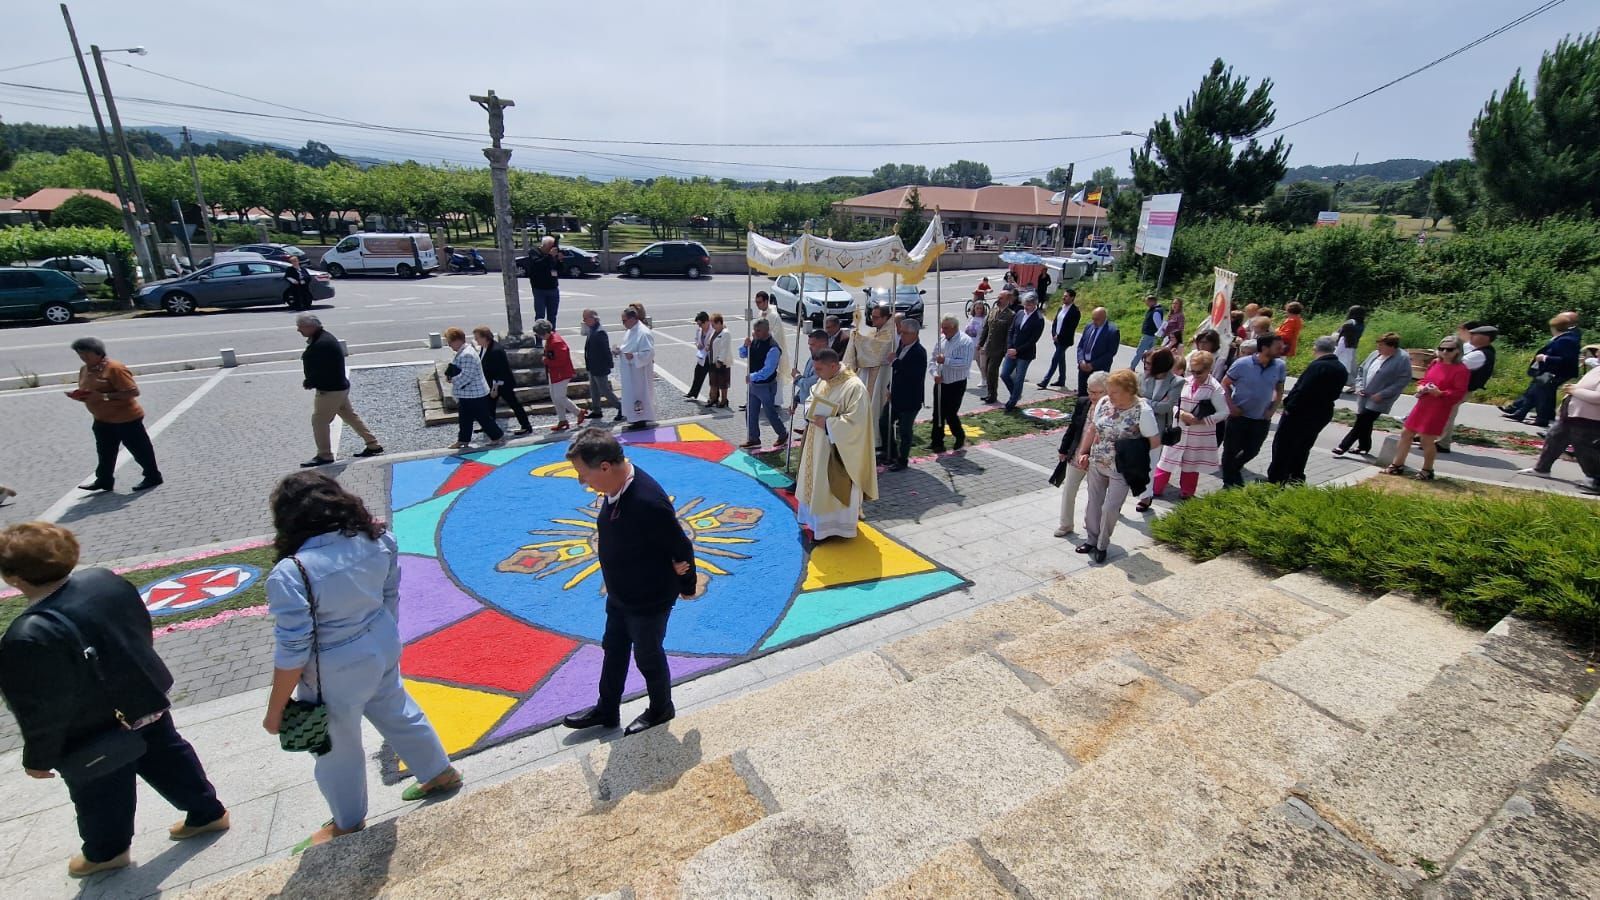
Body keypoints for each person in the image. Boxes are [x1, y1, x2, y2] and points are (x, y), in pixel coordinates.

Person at [0, 522, 229, 879]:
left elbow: (41, 710)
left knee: (99, 792)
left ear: (14, 577)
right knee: (168, 755)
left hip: (93, 728)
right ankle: (207, 812)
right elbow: (140, 628)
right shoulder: (104, 580)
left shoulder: (25, 636)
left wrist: (38, 758)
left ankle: (107, 852)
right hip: (143, 696)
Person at [262, 473, 459, 851]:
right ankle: (438, 771)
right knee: (396, 707)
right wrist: (383, 637)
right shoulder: (377, 539)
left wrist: (276, 710)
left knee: (337, 744)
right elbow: (390, 595)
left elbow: (292, 649)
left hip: (333, 664)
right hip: (381, 639)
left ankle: (347, 821)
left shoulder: (293, 572)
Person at [560, 429, 697, 736]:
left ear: (606, 467)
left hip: (648, 597)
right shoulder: (616, 486)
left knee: (647, 654)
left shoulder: (648, 501)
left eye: (584, 474)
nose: (583, 482)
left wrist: (687, 585)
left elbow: (681, 547)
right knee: (614, 648)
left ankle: (661, 707)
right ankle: (607, 709)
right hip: (621, 593)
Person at [1071, 369, 1160, 564]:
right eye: (1108, 392)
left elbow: (1155, 441)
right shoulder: (1104, 402)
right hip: (1097, 462)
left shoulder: (1142, 410)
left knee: (1110, 508)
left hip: (1121, 468)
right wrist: (1084, 452)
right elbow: (1093, 428)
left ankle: (1102, 545)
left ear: (1129, 391)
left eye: (1114, 392)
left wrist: (1133, 453)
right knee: (1093, 504)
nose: (1109, 397)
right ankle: (1091, 540)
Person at [795, 349, 878, 540]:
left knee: (829, 486)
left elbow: (857, 422)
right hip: (817, 443)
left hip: (838, 450)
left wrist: (829, 424)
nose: (817, 373)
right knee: (815, 482)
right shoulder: (825, 378)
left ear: (833, 366)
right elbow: (811, 397)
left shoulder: (854, 387)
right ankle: (816, 525)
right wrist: (810, 409)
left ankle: (836, 529)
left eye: (819, 369)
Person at [67, 337, 164, 492]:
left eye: (86, 355)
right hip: (102, 419)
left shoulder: (115, 368)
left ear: (98, 353)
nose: (83, 359)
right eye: (80, 355)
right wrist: (80, 396)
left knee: (139, 449)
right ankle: (104, 480)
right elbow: (90, 392)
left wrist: (104, 397)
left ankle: (153, 476)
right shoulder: (85, 369)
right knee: (105, 452)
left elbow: (133, 391)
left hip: (126, 418)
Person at [1266, 336, 1348, 484]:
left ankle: (1277, 479)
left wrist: (1288, 407)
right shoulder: (1341, 368)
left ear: (1315, 348)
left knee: (1283, 446)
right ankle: (1296, 476)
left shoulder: (1317, 366)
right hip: (1323, 412)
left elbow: (1302, 390)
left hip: (1301, 413)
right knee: (1304, 446)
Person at [1386, 337, 1470, 481]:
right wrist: (1421, 386)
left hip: (1439, 407)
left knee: (1426, 440)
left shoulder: (1461, 370)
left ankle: (1427, 469)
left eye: (1449, 349)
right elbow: (1425, 379)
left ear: (1458, 351)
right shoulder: (1435, 363)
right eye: (1442, 348)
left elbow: (1459, 393)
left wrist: (1441, 393)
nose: (1445, 352)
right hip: (1423, 403)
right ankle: (1397, 464)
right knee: (1406, 433)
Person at [1518, 349, 1600, 494]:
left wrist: (1575, 391)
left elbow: (1598, 397)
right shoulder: (1597, 369)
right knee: (1554, 438)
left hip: (1588, 418)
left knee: (1584, 448)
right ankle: (1542, 468)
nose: (1597, 355)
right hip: (1571, 415)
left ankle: (1594, 480)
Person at [1151, 351, 1225, 502]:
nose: (1195, 375)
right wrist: (1181, 413)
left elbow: (1224, 412)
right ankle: (1155, 489)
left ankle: (1187, 492)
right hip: (1178, 430)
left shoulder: (1215, 388)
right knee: (1166, 460)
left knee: (1191, 464)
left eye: (1199, 372)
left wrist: (1203, 420)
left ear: (1208, 369)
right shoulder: (1184, 382)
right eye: (1192, 370)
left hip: (1199, 433)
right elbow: (1170, 403)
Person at [1220, 333, 1287, 488]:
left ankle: (1233, 470)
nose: (1281, 349)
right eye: (1277, 347)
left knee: (1252, 450)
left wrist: (1273, 409)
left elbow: (1280, 388)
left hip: (1261, 418)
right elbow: (1225, 384)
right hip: (1239, 416)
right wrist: (1231, 406)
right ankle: (1229, 482)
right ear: (1264, 348)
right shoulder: (1242, 364)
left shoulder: (1279, 366)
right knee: (1230, 450)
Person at [1332, 332, 1412, 457]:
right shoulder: (1374, 354)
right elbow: (1361, 370)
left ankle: (1343, 446)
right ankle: (1364, 446)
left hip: (1380, 398)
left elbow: (1403, 380)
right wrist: (1359, 386)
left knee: (1363, 421)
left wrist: (1383, 394)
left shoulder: (1402, 358)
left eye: (1382, 346)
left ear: (1392, 347)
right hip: (1364, 395)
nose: (1378, 349)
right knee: (1364, 422)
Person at [1055, 371, 1110, 536]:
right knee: (1069, 490)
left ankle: (1091, 522)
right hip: (1077, 455)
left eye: (1097, 392)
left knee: (1095, 495)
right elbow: (1072, 427)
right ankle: (1066, 524)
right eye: (1089, 391)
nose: (1092, 395)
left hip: (1099, 459)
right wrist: (1064, 449)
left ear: (1107, 391)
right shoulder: (1083, 402)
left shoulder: (1113, 409)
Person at [1503, 312, 1581, 427]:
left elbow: (1566, 359)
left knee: (1542, 393)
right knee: (1535, 389)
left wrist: (1545, 358)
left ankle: (1542, 419)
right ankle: (1520, 412)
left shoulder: (1566, 340)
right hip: (1551, 371)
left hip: (1557, 372)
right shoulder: (1563, 338)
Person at [843, 301, 900, 451]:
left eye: (876, 318)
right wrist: (858, 329)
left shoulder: (890, 333)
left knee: (877, 408)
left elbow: (877, 350)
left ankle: (878, 441)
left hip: (882, 376)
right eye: (872, 317)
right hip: (872, 374)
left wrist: (858, 338)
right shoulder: (879, 330)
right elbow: (870, 341)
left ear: (886, 317)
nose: (873, 320)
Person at [1134, 348, 1181, 511]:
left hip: (1157, 430)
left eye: (1149, 364)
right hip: (1136, 426)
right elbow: (1135, 399)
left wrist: (1143, 401)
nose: (1146, 366)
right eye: (1145, 363)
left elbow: (1166, 407)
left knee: (1150, 464)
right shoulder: (1143, 377)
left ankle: (1146, 497)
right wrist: (1151, 403)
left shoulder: (1176, 382)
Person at [1438, 323, 1498, 452]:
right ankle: (1427, 436)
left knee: (1447, 414)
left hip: (1461, 389)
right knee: (1441, 412)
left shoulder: (1480, 354)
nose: (1471, 336)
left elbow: (1456, 365)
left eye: (1475, 335)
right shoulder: (1478, 351)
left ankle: (1442, 443)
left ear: (1485, 338)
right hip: (1458, 388)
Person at [444, 326, 504, 450]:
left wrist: (452, 380)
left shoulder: (467, 354)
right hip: (468, 393)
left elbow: (467, 376)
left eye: (450, 342)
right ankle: (463, 440)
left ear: (457, 340)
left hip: (474, 393)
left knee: (482, 417)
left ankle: (497, 436)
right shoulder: (465, 351)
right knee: (465, 418)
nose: (449, 345)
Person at [738, 319, 789, 450]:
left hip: (766, 386)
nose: (755, 333)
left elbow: (768, 370)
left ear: (767, 330)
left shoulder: (773, 348)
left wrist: (752, 376)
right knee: (750, 412)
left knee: (770, 413)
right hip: (754, 385)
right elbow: (743, 355)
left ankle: (782, 434)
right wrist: (745, 346)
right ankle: (753, 438)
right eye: (754, 330)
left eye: (758, 330)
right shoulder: (754, 340)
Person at [474, 326, 532, 436]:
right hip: (491, 383)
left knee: (514, 404)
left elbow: (500, 371)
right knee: (489, 406)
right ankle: (489, 426)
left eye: (477, 338)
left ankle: (526, 426)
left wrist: (495, 388)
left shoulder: (495, 350)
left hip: (502, 384)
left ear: (485, 338)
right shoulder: (484, 347)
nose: (476, 340)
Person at [885, 318, 927, 471]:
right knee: (884, 422)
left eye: (904, 333)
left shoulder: (919, 352)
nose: (901, 335)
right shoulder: (901, 346)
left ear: (914, 334)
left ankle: (903, 460)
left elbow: (912, 375)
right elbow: (895, 373)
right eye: (900, 332)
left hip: (910, 399)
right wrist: (889, 388)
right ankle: (890, 452)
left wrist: (895, 361)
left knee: (905, 430)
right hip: (895, 395)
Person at [929, 314, 975, 454]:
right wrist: (934, 373)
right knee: (937, 413)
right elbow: (932, 359)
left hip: (956, 383)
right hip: (940, 381)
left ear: (954, 327)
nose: (943, 331)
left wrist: (946, 361)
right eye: (942, 327)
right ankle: (937, 441)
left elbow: (965, 363)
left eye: (946, 328)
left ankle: (959, 435)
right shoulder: (941, 339)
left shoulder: (965, 341)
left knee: (950, 413)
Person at [534, 320, 583, 432]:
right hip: (555, 373)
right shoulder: (551, 339)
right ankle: (562, 420)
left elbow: (561, 361)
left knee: (559, 397)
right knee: (555, 397)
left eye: (539, 334)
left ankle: (578, 412)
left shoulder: (556, 342)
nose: (539, 337)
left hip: (561, 373)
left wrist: (546, 361)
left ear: (544, 332)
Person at [615, 306, 657, 429]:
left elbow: (649, 353)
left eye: (624, 321)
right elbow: (627, 347)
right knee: (631, 395)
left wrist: (634, 356)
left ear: (633, 319)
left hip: (639, 373)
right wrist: (620, 350)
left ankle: (640, 419)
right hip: (630, 372)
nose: (623, 324)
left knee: (639, 395)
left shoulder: (643, 333)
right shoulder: (631, 331)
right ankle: (633, 418)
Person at [1002, 293, 1045, 411]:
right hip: (1011, 351)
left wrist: (1017, 350)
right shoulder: (1020, 313)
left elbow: (1033, 340)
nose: (1026, 307)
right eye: (1025, 304)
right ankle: (1015, 394)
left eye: (1029, 305)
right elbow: (1011, 330)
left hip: (1025, 354)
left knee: (1019, 378)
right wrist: (1010, 347)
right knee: (1004, 374)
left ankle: (1012, 401)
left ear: (1035, 304)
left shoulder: (1039, 319)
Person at [747, 291, 789, 408]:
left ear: (766, 301)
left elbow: (775, 334)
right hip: (761, 348)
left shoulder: (774, 316)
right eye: (756, 302)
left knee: (774, 374)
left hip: (771, 349)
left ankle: (776, 402)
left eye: (759, 302)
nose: (757, 305)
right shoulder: (762, 312)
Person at [581, 309, 623, 422]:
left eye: (585, 318)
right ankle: (597, 411)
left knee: (604, 390)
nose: (584, 321)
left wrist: (609, 365)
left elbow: (605, 351)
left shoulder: (600, 332)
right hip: (592, 366)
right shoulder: (592, 330)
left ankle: (621, 407)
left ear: (593, 318)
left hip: (599, 367)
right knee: (594, 390)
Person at [1036, 287, 1081, 389]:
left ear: (1072, 298)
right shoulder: (1061, 308)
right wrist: (1053, 334)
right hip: (1056, 338)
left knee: (1055, 359)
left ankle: (1045, 381)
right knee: (1061, 359)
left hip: (1064, 340)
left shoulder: (1075, 312)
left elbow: (1070, 328)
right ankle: (1061, 380)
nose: (1063, 298)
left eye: (1066, 296)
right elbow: (1055, 322)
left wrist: (1059, 336)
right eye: (1063, 296)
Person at [979, 290, 1016, 403]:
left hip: (999, 348)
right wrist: (980, 343)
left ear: (1008, 300)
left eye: (1001, 298)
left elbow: (1009, 334)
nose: (998, 300)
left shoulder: (1010, 315)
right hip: (989, 346)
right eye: (998, 297)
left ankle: (993, 395)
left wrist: (1006, 349)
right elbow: (986, 328)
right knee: (987, 370)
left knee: (992, 371)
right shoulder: (993, 311)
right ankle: (990, 393)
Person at [1076, 306, 1122, 397]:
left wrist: (1093, 365)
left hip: (1099, 369)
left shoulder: (1112, 331)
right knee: (1082, 394)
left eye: (1097, 319)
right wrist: (1081, 361)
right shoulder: (1089, 326)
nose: (1094, 322)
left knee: (1096, 396)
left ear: (1104, 318)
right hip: (1083, 367)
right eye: (1093, 319)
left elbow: (1110, 353)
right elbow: (1081, 346)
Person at [792, 329, 829, 432]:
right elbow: (806, 377)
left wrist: (797, 377)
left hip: (818, 408)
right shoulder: (812, 358)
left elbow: (810, 384)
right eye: (809, 344)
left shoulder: (826, 362)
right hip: (809, 405)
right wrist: (797, 398)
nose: (810, 347)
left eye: (812, 344)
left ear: (823, 344)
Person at [528, 236, 562, 327]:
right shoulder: (534, 252)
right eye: (550, 247)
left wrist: (560, 260)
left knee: (552, 316)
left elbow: (560, 270)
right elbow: (538, 265)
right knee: (540, 316)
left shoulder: (552, 255)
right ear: (544, 245)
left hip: (553, 288)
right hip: (539, 289)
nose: (552, 249)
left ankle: (552, 338)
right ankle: (539, 339)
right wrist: (549, 256)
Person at [1335, 305, 1367, 391]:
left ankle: (1342, 384)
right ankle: (1355, 384)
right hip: (1353, 347)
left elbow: (1341, 336)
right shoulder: (1361, 324)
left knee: (1342, 366)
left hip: (1343, 347)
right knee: (1351, 366)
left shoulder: (1349, 323)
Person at [706, 313, 733, 409]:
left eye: (713, 324)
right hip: (712, 360)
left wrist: (720, 361)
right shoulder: (715, 332)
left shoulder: (725, 333)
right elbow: (711, 342)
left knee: (723, 383)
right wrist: (708, 346)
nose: (712, 327)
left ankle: (724, 400)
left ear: (719, 323)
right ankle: (713, 398)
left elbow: (724, 349)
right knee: (713, 382)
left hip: (722, 362)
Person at [685, 312, 713, 401]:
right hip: (702, 356)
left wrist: (710, 347)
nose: (699, 326)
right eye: (698, 324)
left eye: (700, 324)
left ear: (707, 322)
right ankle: (693, 393)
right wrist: (698, 344)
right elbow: (696, 339)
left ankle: (714, 397)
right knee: (697, 373)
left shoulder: (713, 330)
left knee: (712, 379)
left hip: (711, 357)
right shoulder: (699, 330)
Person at [966, 299, 990, 392]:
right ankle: (984, 379)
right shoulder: (971, 318)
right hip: (972, 344)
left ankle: (987, 379)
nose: (979, 310)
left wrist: (984, 344)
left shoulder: (984, 319)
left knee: (983, 364)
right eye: (977, 308)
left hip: (981, 344)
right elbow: (967, 329)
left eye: (981, 308)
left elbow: (986, 332)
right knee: (978, 362)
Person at [1134, 294, 1165, 360]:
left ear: (1152, 302)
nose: (1146, 303)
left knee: (1139, 351)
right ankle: (1151, 367)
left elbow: (1159, 325)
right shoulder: (1154, 310)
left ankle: (1132, 367)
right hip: (1152, 335)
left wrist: (1161, 334)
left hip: (1149, 335)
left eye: (1147, 302)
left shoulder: (1155, 311)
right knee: (1151, 353)